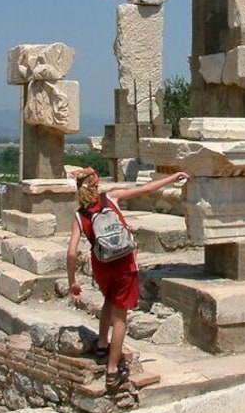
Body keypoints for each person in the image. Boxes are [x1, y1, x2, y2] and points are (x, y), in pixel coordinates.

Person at [66, 167, 189, 393]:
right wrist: (173, 177)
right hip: (124, 263)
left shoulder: (79, 215)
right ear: (97, 184)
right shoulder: (110, 198)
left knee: (108, 302)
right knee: (121, 316)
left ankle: (103, 345)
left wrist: (73, 280)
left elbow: (72, 252)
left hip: (102, 265)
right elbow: (146, 189)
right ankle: (113, 370)